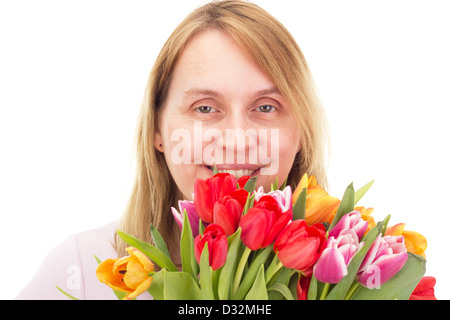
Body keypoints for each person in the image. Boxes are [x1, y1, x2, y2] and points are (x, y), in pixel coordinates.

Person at [16, 0, 329, 299]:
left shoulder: (351, 278)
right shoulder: (83, 272)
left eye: (265, 106)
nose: (237, 140)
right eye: (205, 108)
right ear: (158, 129)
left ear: (301, 131)